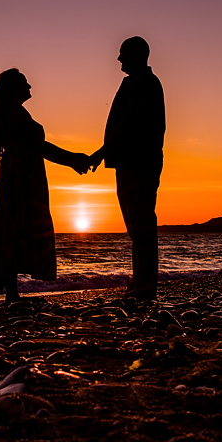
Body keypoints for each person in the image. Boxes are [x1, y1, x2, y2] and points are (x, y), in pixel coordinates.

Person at [0, 68, 90, 305]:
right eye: (25, 83)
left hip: (19, 174)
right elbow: (40, 147)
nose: (30, 87)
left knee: (13, 229)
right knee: (17, 227)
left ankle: (7, 292)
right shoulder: (16, 113)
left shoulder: (12, 112)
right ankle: (3, 292)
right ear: (14, 87)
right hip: (22, 176)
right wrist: (73, 159)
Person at [89, 36, 165, 301]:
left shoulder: (145, 82)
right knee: (135, 225)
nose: (119, 59)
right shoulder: (136, 82)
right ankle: (141, 280)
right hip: (128, 161)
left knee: (141, 223)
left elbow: (131, 120)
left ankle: (146, 284)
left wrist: (101, 152)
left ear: (138, 54)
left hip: (139, 161)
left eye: (123, 54)